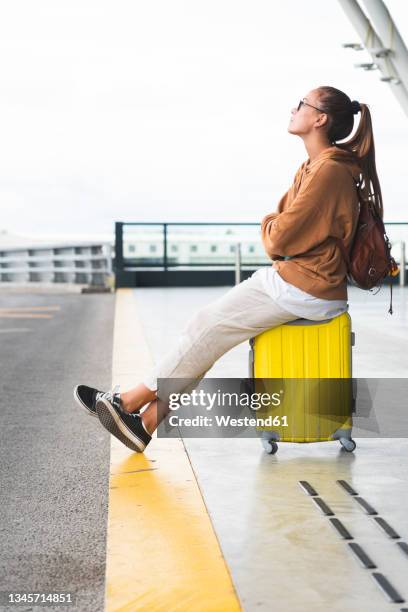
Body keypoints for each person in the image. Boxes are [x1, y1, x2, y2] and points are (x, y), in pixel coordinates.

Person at [74, 85, 383, 453]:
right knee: (207, 330)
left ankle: (127, 403)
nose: (293, 107)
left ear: (320, 119)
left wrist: (271, 223)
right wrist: (277, 223)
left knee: (207, 327)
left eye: (302, 103)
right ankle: (144, 422)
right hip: (299, 282)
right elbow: (283, 225)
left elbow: (278, 237)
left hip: (307, 287)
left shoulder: (329, 172)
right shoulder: (313, 167)